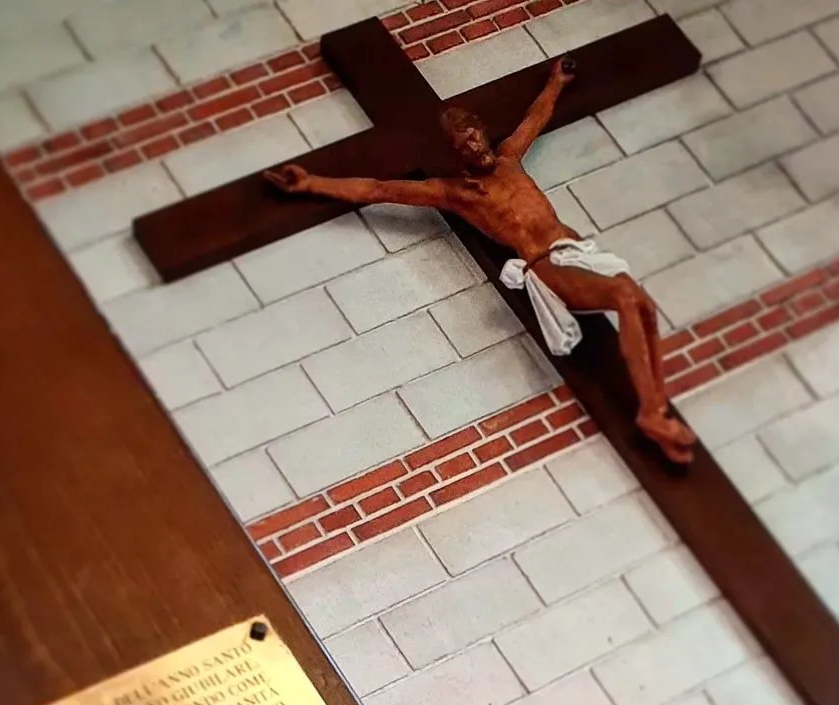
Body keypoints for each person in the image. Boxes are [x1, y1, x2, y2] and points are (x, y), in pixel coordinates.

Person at [265, 57, 697, 464]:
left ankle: (656, 407)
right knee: (624, 295)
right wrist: (311, 183)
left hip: (580, 252)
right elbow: (378, 189)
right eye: (463, 144)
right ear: (458, 154)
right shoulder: (456, 193)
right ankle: (649, 412)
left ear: (483, 133)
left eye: (474, 134)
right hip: (546, 264)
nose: (473, 145)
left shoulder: (510, 158)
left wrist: (555, 82)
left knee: (642, 306)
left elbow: (535, 117)